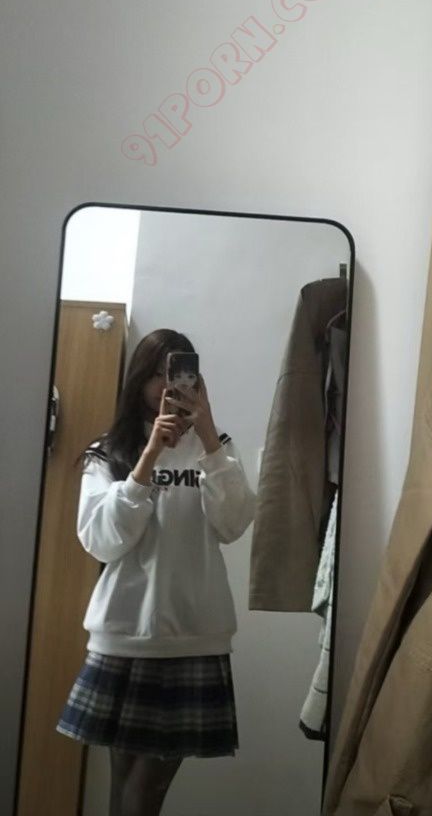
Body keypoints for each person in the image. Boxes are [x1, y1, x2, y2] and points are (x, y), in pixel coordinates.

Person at [56, 328, 256, 816]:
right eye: (155, 374)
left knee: (146, 790)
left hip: (194, 636)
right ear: (139, 380)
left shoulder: (217, 450)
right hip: (124, 632)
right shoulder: (109, 451)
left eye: (178, 374)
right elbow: (102, 540)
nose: (166, 385)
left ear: (196, 382)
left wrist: (208, 437)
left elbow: (233, 524)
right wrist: (147, 458)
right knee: (126, 785)